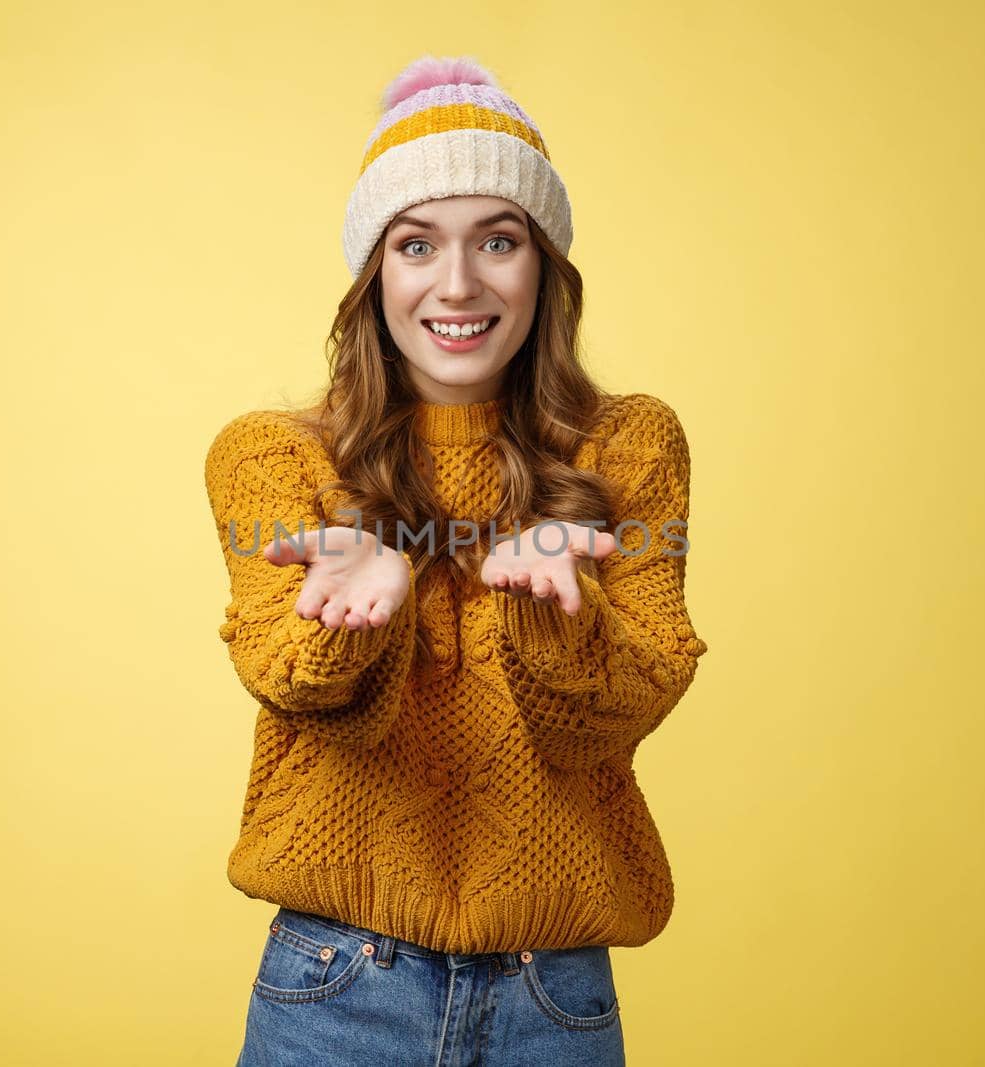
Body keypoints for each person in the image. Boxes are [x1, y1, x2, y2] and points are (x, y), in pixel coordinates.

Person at [204, 53, 710, 1066]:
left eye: (499, 240)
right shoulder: (271, 454)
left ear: (544, 266)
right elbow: (289, 685)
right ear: (373, 273)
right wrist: (358, 607)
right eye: (416, 244)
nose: (458, 282)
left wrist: (553, 605)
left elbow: (626, 706)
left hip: (552, 993)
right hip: (335, 988)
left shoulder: (629, 447)